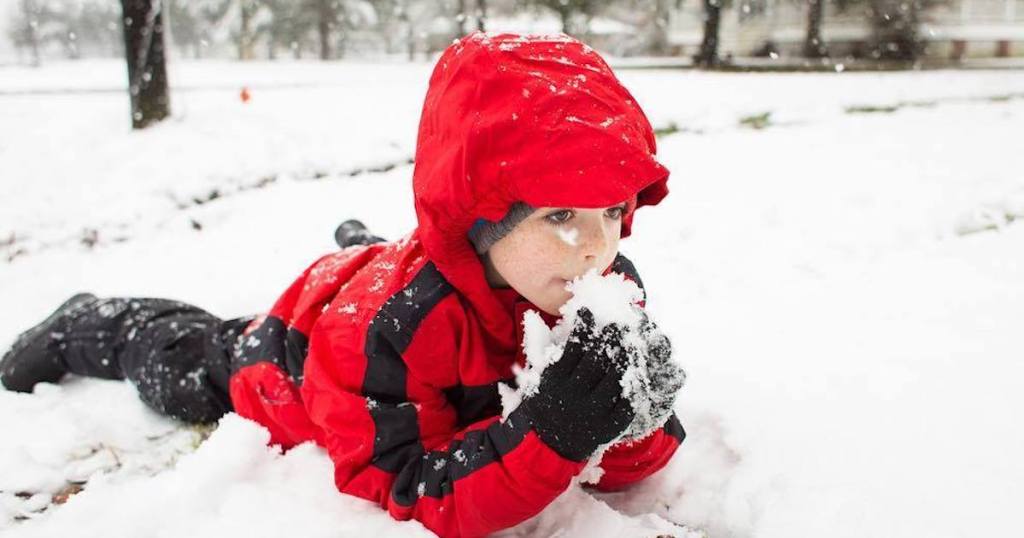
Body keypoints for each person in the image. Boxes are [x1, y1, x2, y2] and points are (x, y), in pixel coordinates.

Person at [0, 32, 684, 537]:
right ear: (477, 221)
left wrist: (631, 421)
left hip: (403, 283)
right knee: (187, 362)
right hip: (298, 356)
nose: (597, 247)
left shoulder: (594, 280)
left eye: (613, 211)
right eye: (560, 214)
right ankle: (94, 321)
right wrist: (550, 436)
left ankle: (366, 244)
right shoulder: (391, 330)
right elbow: (410, 485)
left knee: (398, 268)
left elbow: (621, 467)